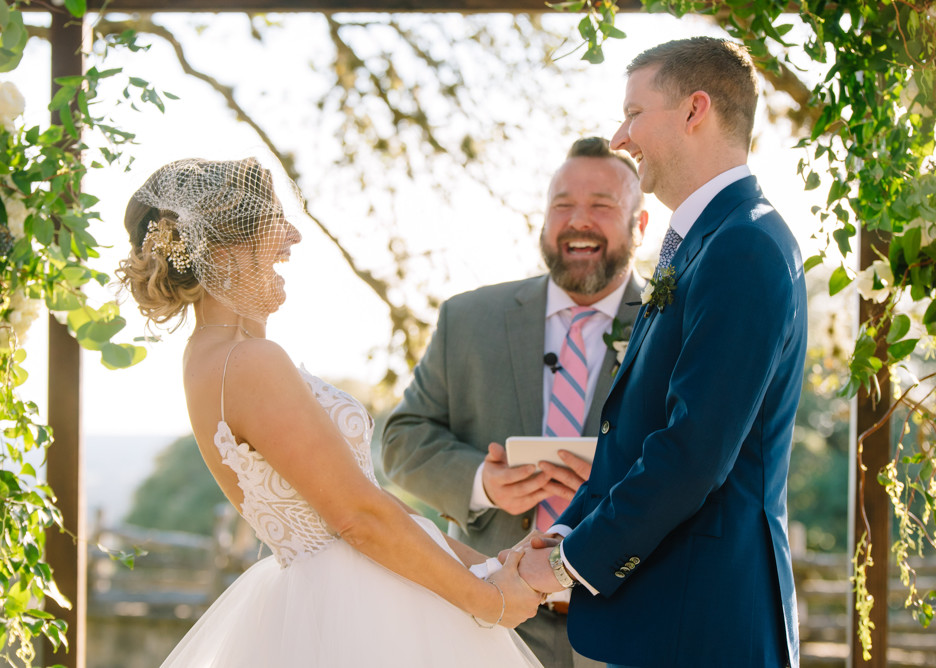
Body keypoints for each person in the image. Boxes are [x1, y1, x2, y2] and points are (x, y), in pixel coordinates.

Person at [116, 157, 543, 667]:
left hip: (340, 597)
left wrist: (488, 566)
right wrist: (489, 602)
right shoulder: (249, 362)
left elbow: (364, 495)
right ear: (224, 250)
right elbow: (357, 517)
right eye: (271, 219)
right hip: (362, 616)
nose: (292, 235)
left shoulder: (211, 357)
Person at [516, 37, 806, 668]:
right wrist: (561, 531)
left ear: (694, 110)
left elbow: (692, 452)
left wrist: (568, 565)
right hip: (657, 623)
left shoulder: (745, 245)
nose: (621, 137)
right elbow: (635, 430)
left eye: (633, 113)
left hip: (699, 627)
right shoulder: (702, 240)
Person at [382, 137, 647, 668]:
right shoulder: (468, 318)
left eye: (602, 205)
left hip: (629, 622)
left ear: (639, 225)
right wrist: (482, 482)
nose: (579, 221)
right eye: (562, 205)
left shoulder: (673, 325)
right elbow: (401, 439)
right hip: (486, 619)